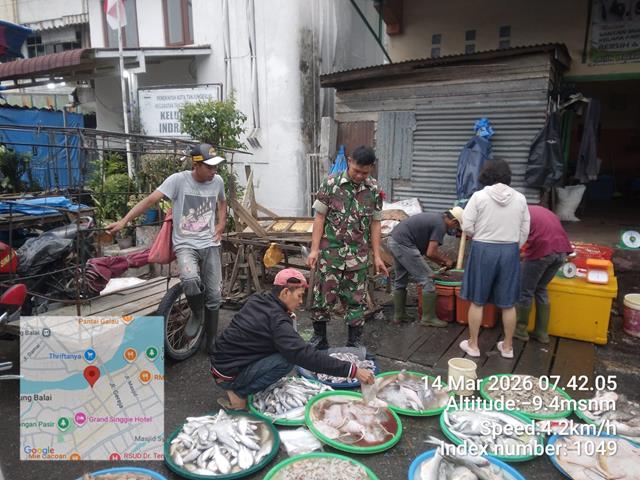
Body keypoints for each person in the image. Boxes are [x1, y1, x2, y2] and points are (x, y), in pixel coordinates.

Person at [107, 144, 227, 354]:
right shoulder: (178, 180)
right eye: (209, 167)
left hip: (209, 243)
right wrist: (124, 221)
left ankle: (211, 341)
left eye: (215, 167)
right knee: (189, 279)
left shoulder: (217, 181)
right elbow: (150, 200)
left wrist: (221, 224)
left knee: (214, 295)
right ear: (196, 164)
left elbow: (222, 202)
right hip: (185, 244)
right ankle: (197, 313)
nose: (214, 171)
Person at [210, 268, 375, 410]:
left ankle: (238, 384)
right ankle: (239, 392)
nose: (301, 302)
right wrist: (353, 371)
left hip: (221, 363)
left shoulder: (259, 299)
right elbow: (303, 354)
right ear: (285, 292)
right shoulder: (278, 321)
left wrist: (287, 317)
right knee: (287, 360)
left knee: (286, 350)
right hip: (227, 374)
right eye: (299, 296)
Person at [306, 146, 389, 350]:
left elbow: (375, 223)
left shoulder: (374, 190)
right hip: (330, 254)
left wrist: (377, 256)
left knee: (356, 299)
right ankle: (320, 338)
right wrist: (314, 250)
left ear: (372, 168)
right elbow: (319, 218)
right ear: (349, 161)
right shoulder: (331, 184)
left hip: (358, 256)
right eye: (356, 171)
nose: (359, 176)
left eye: (365, 173)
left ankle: (354, 341)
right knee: (322, 296)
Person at [458, 158, 530, 359]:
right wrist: (514, 246)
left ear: (485, 175)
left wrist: (481, 236)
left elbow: (467, 225)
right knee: (508, 303)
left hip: (483, 249)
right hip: (510, 250)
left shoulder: (478, 197)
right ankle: (507, 347)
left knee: (477, 301)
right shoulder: (520, 198)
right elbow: (525, 229)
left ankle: (473, 345)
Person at [387, 208, 464, 326]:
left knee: (401, 279)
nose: (455, 228)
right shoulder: (440, 225)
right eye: (456, 225)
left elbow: (429, 253)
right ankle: (428, 318)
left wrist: (440, 263)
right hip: (404, 244)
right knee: (428, 279)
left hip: (394, 240)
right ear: (453, 221)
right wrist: (446, 260)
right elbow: (431, 252)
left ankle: (399, 315)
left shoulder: (437, 218)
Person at [515, 205, 572, 343]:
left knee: (525, 291)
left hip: (543, 252)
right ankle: (542, 333)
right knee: (541, 288)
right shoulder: (540, 211)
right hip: (561, 252)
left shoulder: (518, 214)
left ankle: (520, 331)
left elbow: (517, 241)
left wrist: (517, 255)